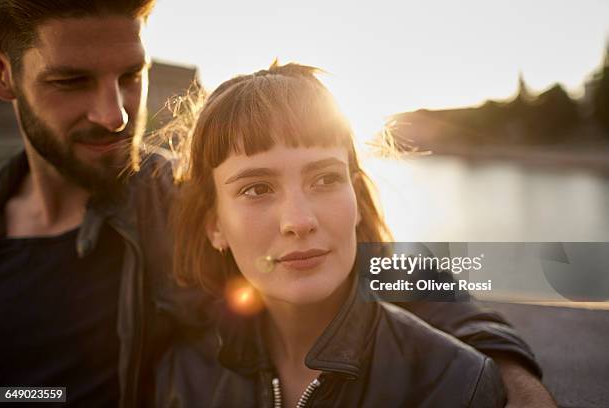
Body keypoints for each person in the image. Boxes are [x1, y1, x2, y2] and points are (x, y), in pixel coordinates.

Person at [0, 1, 553, 406]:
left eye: (130, 77)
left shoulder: (176, 199)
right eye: (70, 82)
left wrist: (506, 378)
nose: (114, 113)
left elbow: (380, 265)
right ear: (5, 76)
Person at [154, 62, 539, 407]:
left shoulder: (455, 385)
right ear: (215, 225)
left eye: (325, 179)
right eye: (257, 189)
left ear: (356, 196)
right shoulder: (183, 378)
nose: (298, 221)